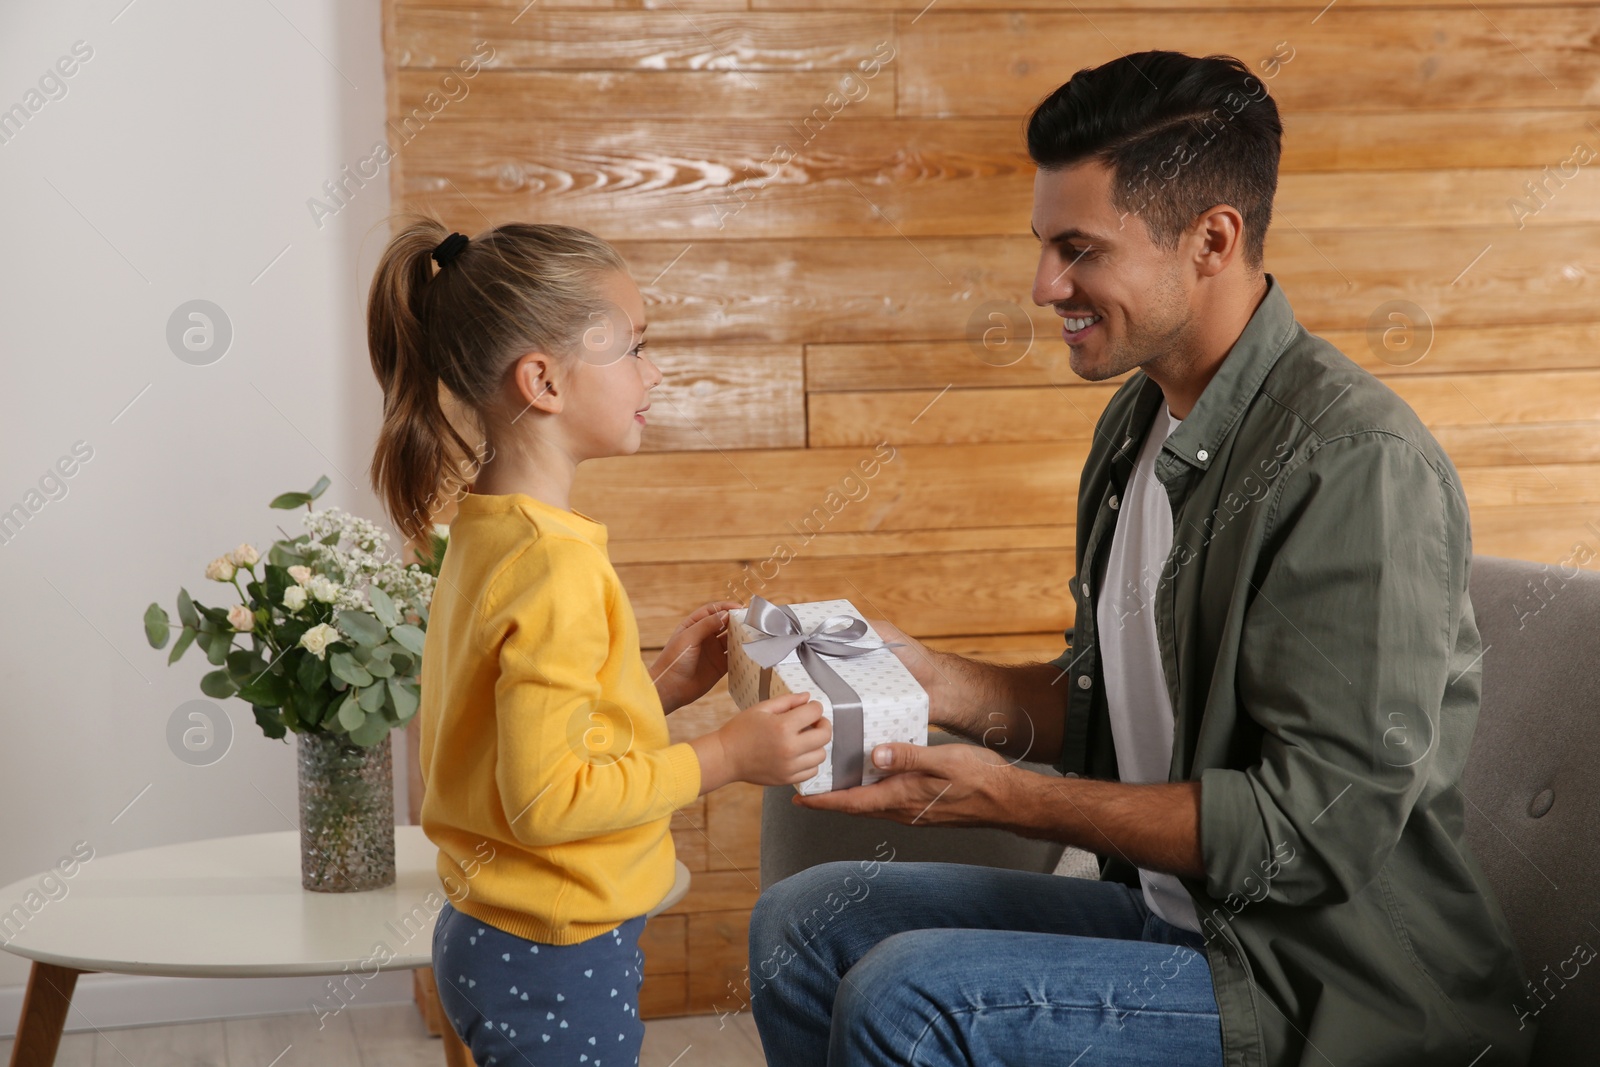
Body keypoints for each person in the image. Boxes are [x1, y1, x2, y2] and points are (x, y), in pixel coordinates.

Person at [746, 50, 1533, 1066]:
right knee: (802, 925)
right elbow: (1110, 709)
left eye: (1079, 248)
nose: (1042, 286)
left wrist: (1010, 795)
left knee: (913, 997)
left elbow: (1315, 828)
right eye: (1042, 246)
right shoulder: (1137, 424)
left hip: (1321, 987)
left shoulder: (1352, 464)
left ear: (1212, 238)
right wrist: (935, 679)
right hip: (1177, 925)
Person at [364, 215, 833, 1067]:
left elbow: (520, 740)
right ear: (542, 379)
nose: (653, 371)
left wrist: (651, 690)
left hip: (489, 931)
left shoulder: (487, 529)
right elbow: (549, 802)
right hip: (555, 951)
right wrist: (725, 755)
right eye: (633, 348)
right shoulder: (555, 566)